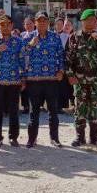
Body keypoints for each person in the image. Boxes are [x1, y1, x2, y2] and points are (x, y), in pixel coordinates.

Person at [65, 9, 97, 147]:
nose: (90, 23)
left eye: (93, 20)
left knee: (95, 107)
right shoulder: (74, 37)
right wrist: (70, 75)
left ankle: (94, 137)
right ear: (82, 21)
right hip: (79, 80)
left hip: (95, 80)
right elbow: (68, 58)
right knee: (79, 108)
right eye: (87, 20)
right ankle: (79, 137)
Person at [21, 10, 65, 148]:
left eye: (44, 20)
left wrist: (61, 70)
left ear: (48, 22)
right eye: (39, 21)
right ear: (35, 23)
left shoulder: (55, 37)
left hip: (51, 79)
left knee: (53, 110)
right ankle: (31, 139)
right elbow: (21, 54)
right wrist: (30, 45)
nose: (42, 23)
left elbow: (61, 55)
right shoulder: (28, 37)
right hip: (34, 80)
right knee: (34, 111)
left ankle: (55, 138)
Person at [0, 14, 24, 147]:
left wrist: (23, 78)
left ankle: (13, 137)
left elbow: (22, 60)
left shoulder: (19, 41)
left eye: (8, 24)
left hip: (14, 81)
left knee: (14, 110)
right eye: (2, 24)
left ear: (12, 25)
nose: (5, 26)